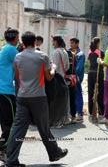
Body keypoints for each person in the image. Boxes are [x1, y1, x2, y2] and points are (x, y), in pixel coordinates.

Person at [5, 31, 68, 167]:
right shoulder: (42, 57)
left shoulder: (18, 57)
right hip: (38, 97)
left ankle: (11, 160)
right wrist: (54, 68)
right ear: (35, 42)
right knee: (43, 127)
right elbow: (49, 77)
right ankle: (54, 153)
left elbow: (18, 77)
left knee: (18, 129)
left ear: (22, 42)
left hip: (22, 96)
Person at [0, 29, 19, 161]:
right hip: (6, 90)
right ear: (15, 38)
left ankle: (4, 150)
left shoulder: (5, 49)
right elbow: (22, 64)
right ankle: (2, 148)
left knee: (5, 122)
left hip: (3, 90)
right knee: (12, 122)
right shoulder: (12, 50)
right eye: (18, 37)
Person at [88, 37, 105, 118]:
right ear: (98, 43)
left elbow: (89, 62)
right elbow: (103, 63)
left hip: (90, 72)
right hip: (99, 73)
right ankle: (101, 112)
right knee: (100, 92)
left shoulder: (90, 52)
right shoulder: (100, 52)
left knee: (91, 92)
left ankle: (91, 111)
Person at [70, 38, 86, 122]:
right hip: (69, 77)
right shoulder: (68, 52)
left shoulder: (80, 54)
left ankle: (79, 113)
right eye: (70, 43)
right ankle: (71, 113)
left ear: (77, 44)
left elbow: (79, 68)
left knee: (77, 94)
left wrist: (75, 77)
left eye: (72, 43)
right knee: (70, 96)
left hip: (76, 77)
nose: (71, 44)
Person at [64, 43, 77, 123]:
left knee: (64, 98)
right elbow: (74, 65)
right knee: (72, 98)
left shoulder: (62, 54)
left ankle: (65, 117)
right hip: (72, 78)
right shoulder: (72, 54)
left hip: (65, 78)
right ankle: (73, 116)